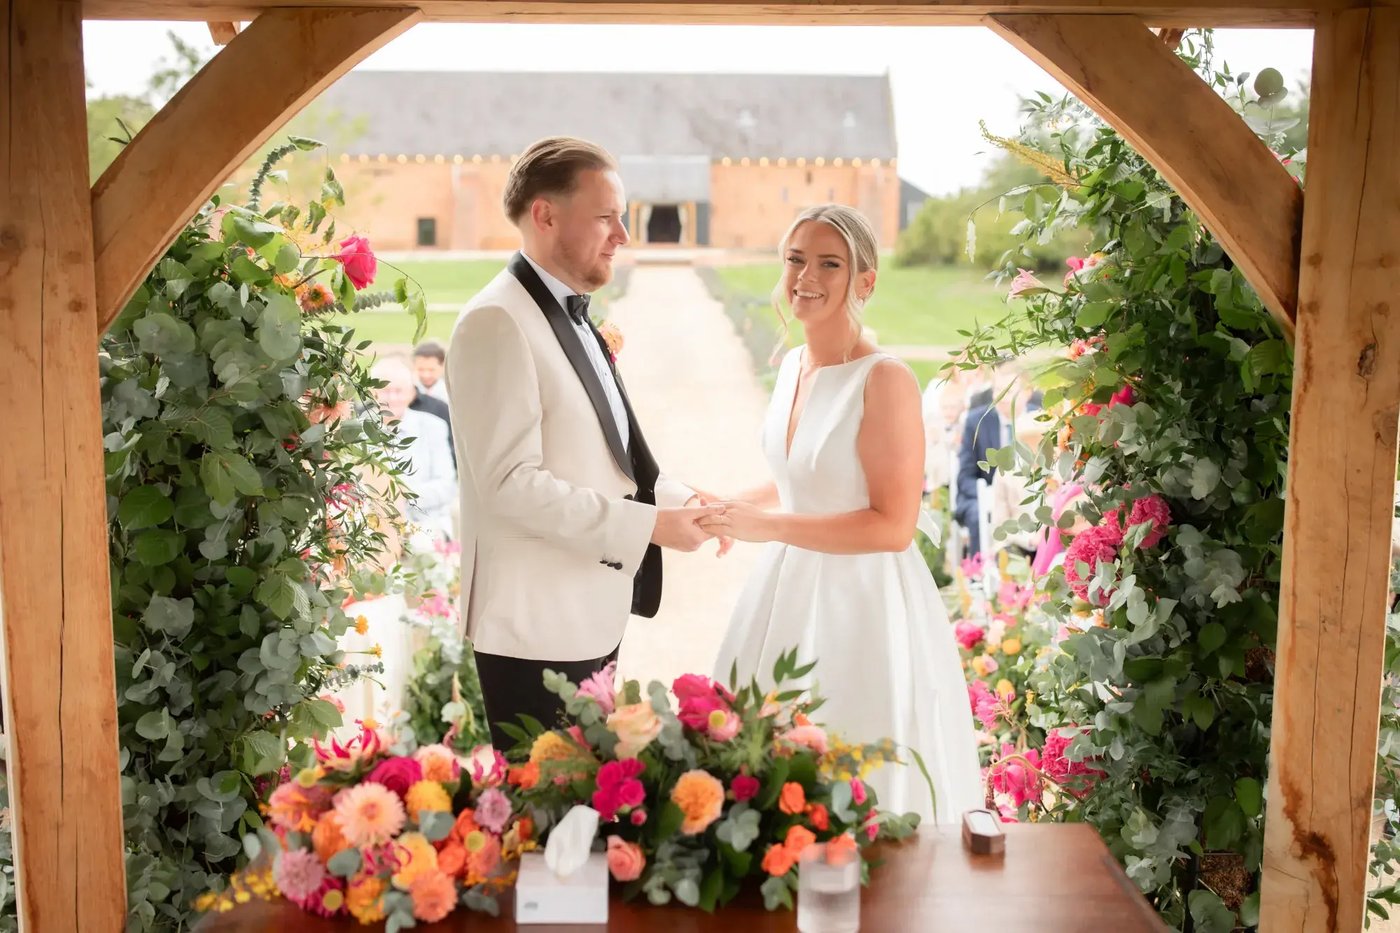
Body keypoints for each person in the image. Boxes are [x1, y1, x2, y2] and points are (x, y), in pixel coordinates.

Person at [701, 204, 983, 826]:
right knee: (761, 760)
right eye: (797, 258)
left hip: (862, 599)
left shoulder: (885, 381)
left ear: (866, 281)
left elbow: (891, 525)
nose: (807, 275)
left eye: (830, 263)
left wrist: (765, 528)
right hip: (786, 587)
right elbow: (800, 479)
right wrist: (729, 507)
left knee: (856, 760)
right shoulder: (794, 365)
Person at [445, 136, 723, 750]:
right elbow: (508, 488)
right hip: (534, 631)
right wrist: (648, 526)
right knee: (547, 830)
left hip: (586, 614)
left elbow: (605, 452)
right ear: (545, 215)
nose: (623, 233)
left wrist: (682, 499)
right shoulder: (497, 321)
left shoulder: (564, 311)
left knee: (578, 820)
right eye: (606, 217)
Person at [371, 358, 457, 537]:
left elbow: (446, 485)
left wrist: (402, 496)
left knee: (421, 545)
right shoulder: (358, 431)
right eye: (385, 391)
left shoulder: (434, 426)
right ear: (372, 393)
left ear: (411, 393)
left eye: (399, 391)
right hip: (374, 526)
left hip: (426, 525)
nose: (392, 398)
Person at [413, 339, 450, 404]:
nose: (426, 375)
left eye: (431, 370)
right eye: (420, 369)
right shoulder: (410, 393)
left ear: (442, 366)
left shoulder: (449, 394)